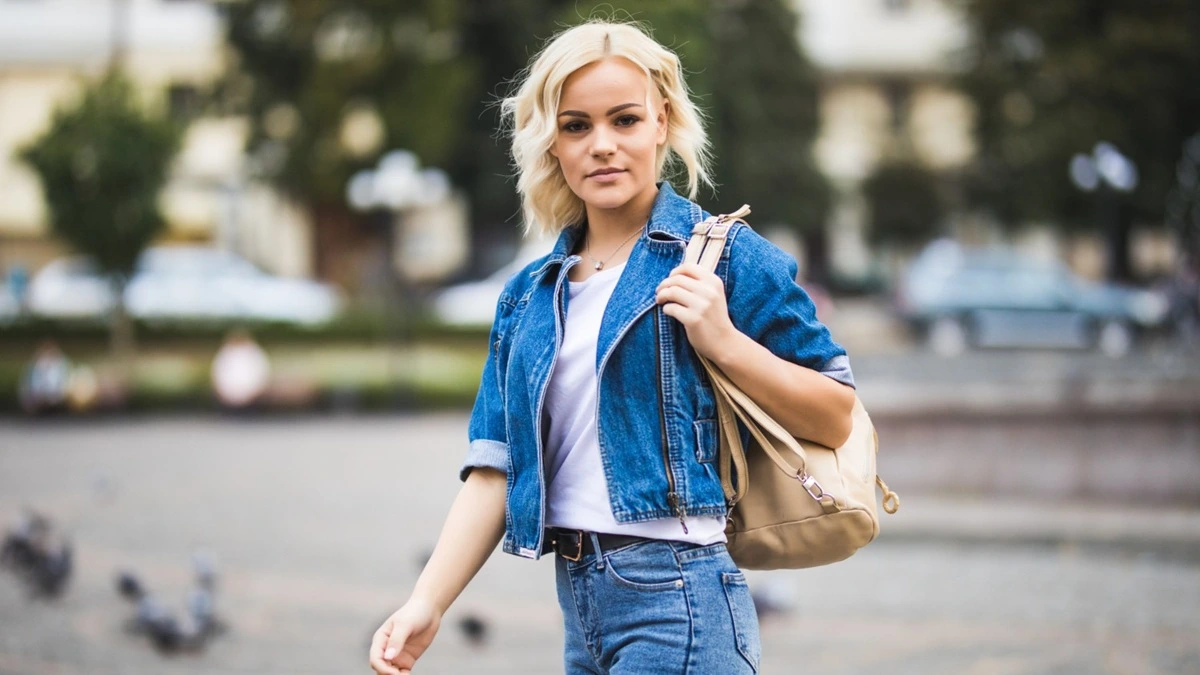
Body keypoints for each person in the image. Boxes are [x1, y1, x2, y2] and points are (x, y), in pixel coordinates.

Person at [370, 19, 856, 675]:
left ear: (661, 123)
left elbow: (836, 412)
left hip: (681, 602)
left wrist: (724, 342)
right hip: (581, 607)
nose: (602, 145)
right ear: (553, 141)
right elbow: (495, 465)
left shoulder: (724, 258)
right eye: (577, 126)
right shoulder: (529, 295)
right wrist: (426, 601)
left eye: (624, 120)